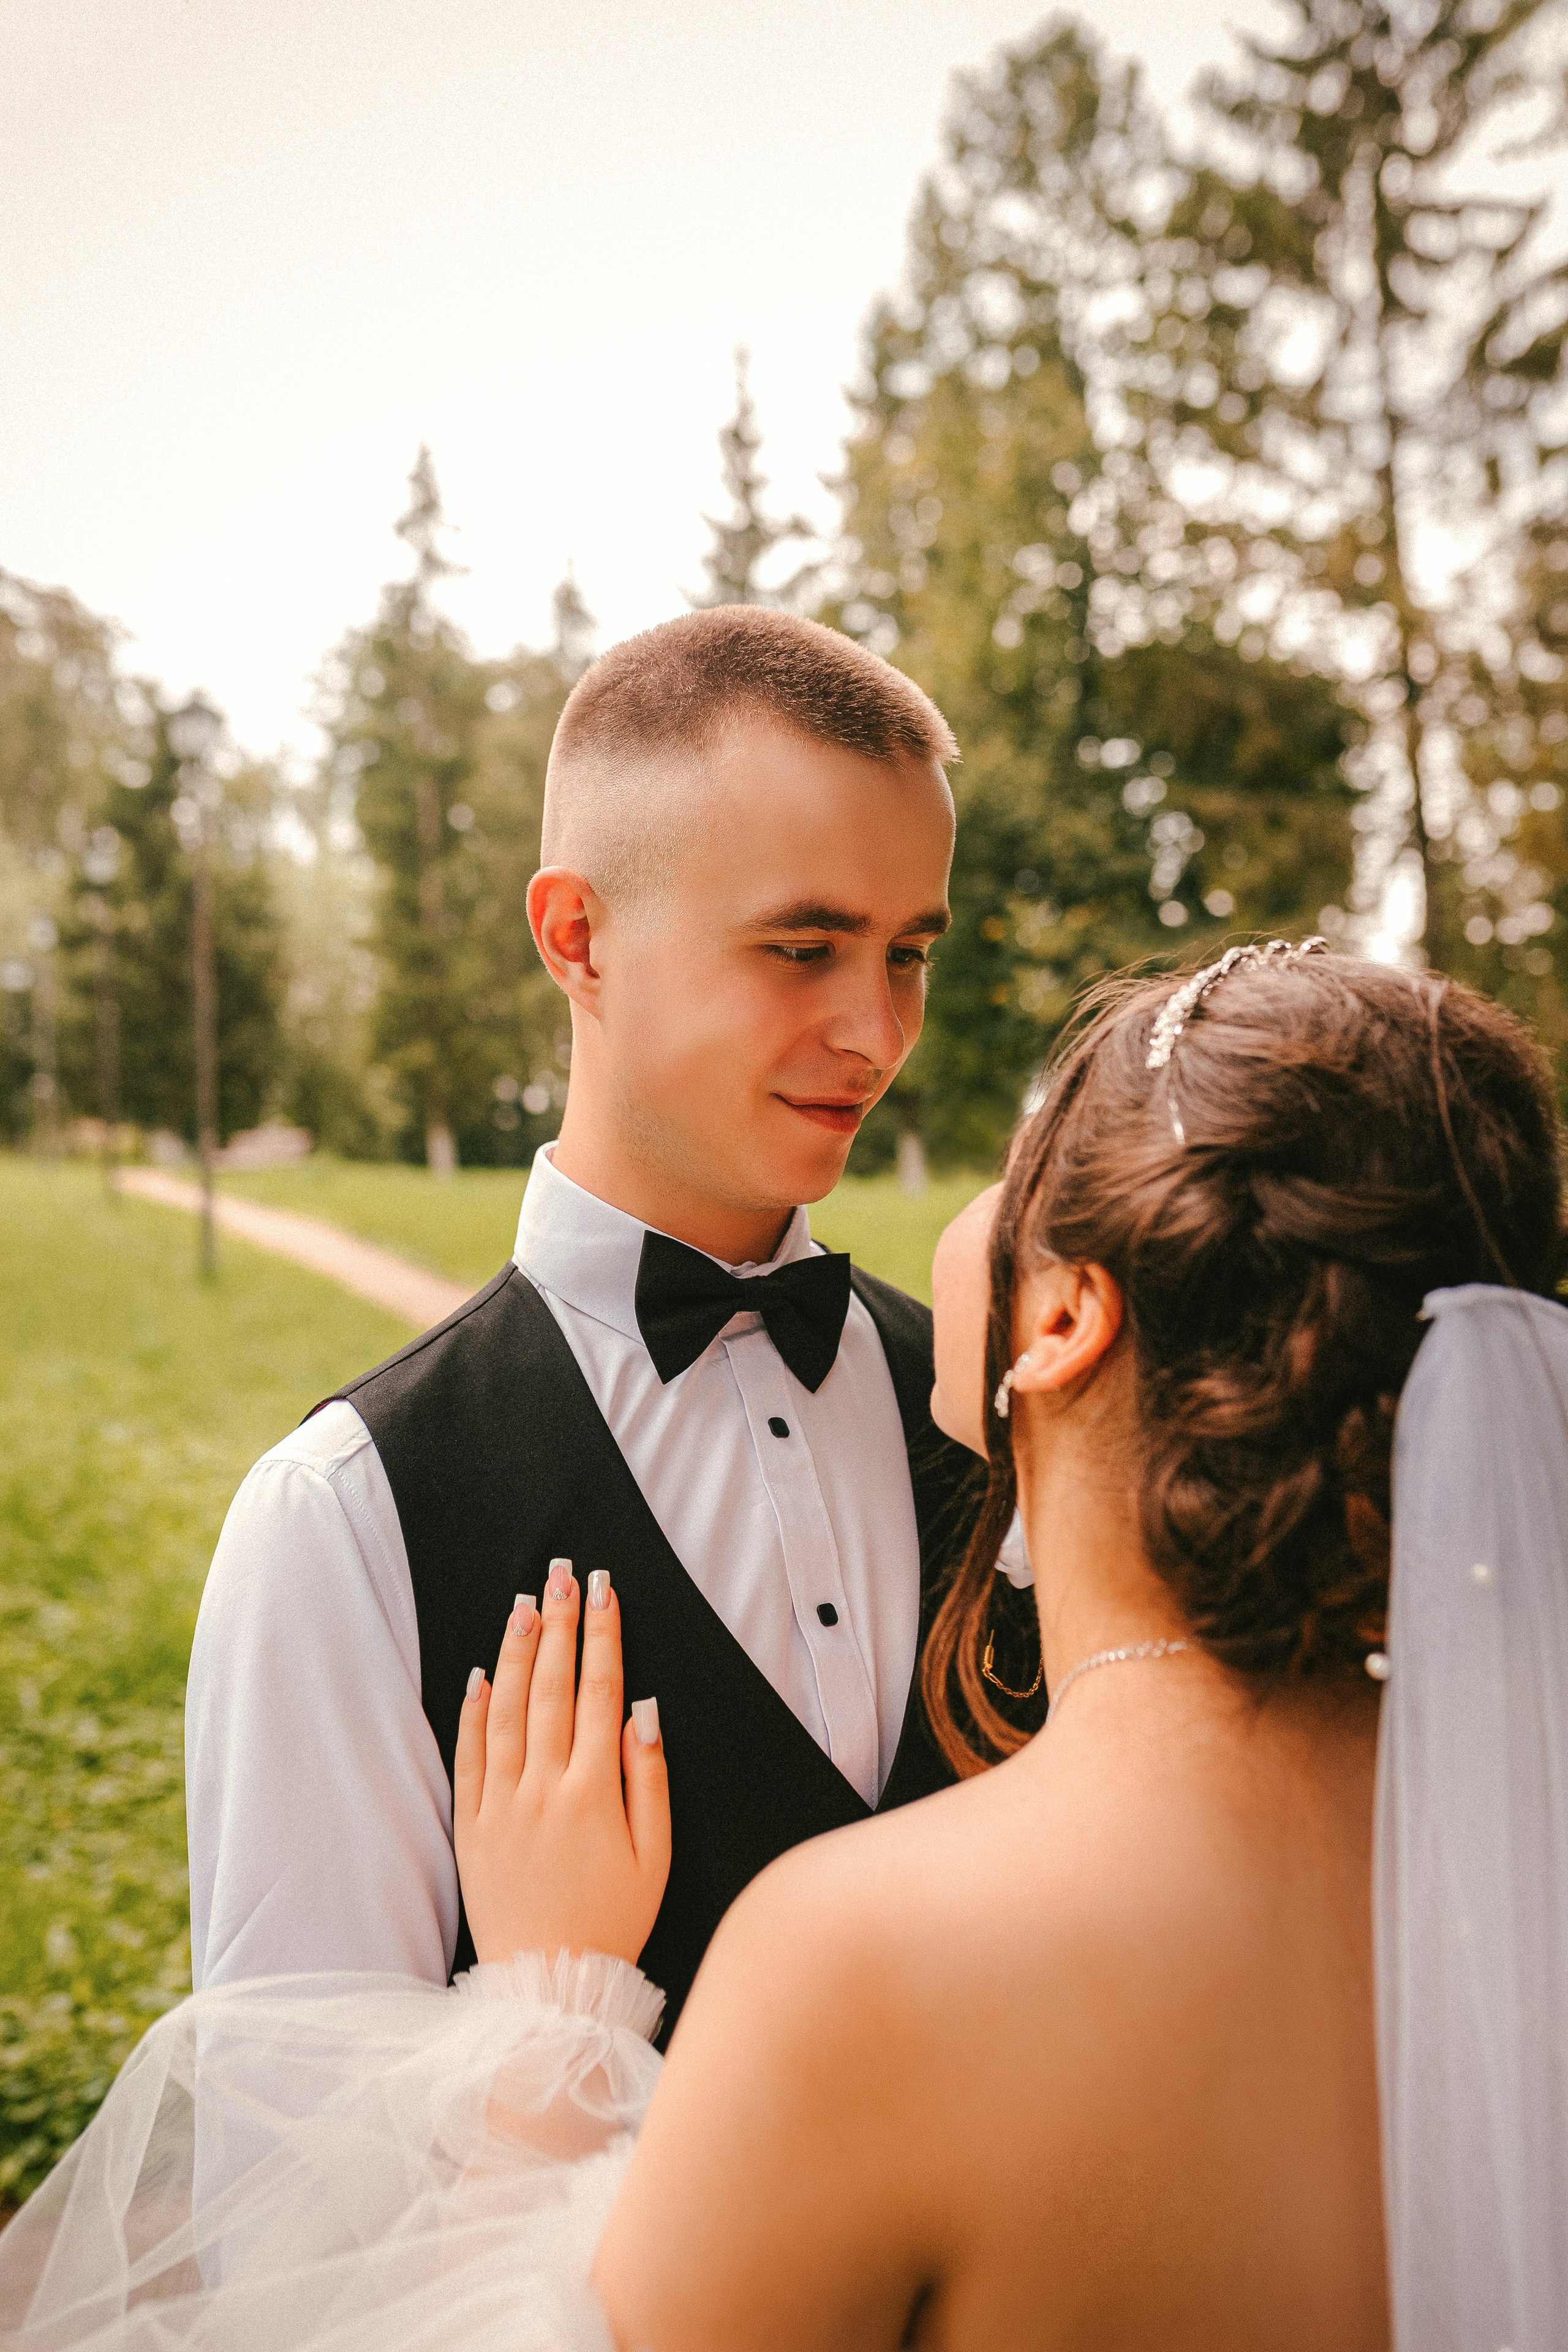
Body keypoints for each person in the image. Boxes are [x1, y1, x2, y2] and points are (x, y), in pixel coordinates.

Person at [6, 944, 1567, 2351]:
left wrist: (554, 2013)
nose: (876, 1037)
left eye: (1007, 1164)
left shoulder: (856, 1965)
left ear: (1067, 1319)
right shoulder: (1511, 1873)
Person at [184, 607, 1040, 2029]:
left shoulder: (993, 1412)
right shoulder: (343, 1523)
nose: (878, 1034)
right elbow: (301, 2201)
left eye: (906, 953)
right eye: (802, 946)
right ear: (576, 936)